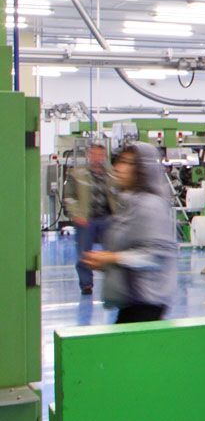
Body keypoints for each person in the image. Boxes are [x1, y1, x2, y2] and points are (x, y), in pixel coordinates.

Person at [80, 142, 179, 323]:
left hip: (146, 303)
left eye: (127, 163)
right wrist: (106, 263)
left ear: (142, 170)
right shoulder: (128, 204)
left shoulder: (150, 206)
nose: (118, 168)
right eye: (119, 161)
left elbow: (154, 257)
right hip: (130, 302)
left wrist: (111, 258)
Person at [64, 137, 115, 297]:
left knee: (112, 253)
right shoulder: (77, 174)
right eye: (94, 154)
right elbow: (69, 196)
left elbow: (120, 196)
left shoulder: (113, 175)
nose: (97, 158)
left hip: (107, 219)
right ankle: (86, 284)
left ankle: (113, 282)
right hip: (86, 220)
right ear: (88, 155)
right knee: (83, 254)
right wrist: (76, 214)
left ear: (104, 156)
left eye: (100, 155)